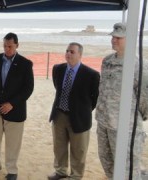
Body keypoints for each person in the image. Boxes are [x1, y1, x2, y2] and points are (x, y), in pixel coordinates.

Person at [96, 23, 148, 180]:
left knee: (127, 172)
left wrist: (134, 118)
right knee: (108, 164)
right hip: (104, 123)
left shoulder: (140, 66)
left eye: (118, 37)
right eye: (113, 36)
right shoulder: (107, 61)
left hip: (125, 128)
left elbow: (146, 99)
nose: (114, 40)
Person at [0, 32, 34, 180]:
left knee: (13, 143)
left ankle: (12, 170)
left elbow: (28, 88)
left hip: (15, 110)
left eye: (10, 46)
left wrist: (12, 104)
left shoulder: (25, 63)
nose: (7, 49)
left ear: (17, 45)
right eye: (5, 46)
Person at [48, 42, 100, 180]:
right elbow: (58, 88)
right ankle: (60, 171)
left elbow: (94, 98)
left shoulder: (91, 74)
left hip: (79, 118)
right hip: (59, 115)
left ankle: (76, 175)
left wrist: (82, 110)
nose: (68, 54)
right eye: (67, 51)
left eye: (72, 52)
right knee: (59, 147)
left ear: (80, 55)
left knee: (79, 150)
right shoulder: (58, 69)